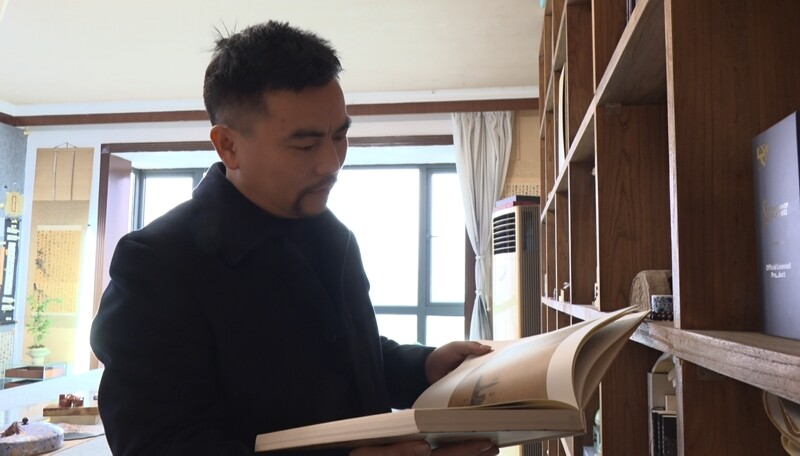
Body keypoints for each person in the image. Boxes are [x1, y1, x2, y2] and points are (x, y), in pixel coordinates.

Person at [90, 20, 499, 456]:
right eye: (305, 145)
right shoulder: (157, 264)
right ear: (228, 146)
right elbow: (156, 445)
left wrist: (422, 368)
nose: (332, 163)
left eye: (340, 136)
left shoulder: (334, 237)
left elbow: (340, 357)